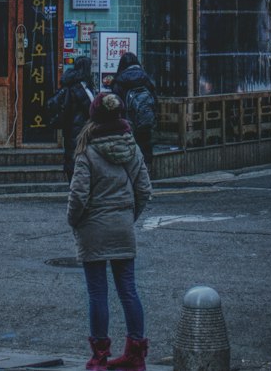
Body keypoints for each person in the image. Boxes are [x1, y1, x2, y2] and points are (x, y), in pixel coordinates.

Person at [67, 92, 152, 371]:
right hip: (122, 227)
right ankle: (136, 355)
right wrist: (129, 217)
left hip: (93, 229)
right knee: (128, 290)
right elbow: (144, 190)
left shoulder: (87, 150)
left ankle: (100, 356)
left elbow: (78, 196)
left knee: (98, 293)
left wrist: (74, 221)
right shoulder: (133, 148)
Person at [110, 51, 157, 178]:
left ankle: (130, 174)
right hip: (144, 118)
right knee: (145, 144)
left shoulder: (119, 80)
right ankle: (146, 173)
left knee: (128, 146)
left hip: (127, 121)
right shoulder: (145, 77)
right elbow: (154, 99)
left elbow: (116, 103)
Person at [49, 56, 96, 181]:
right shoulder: (80, 86)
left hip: (70, 126)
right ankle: (76, 185)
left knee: (71, 154)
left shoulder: (70, 83)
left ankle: (74, 184)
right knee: (77, 156)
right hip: (79, 127)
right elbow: (91, 108)